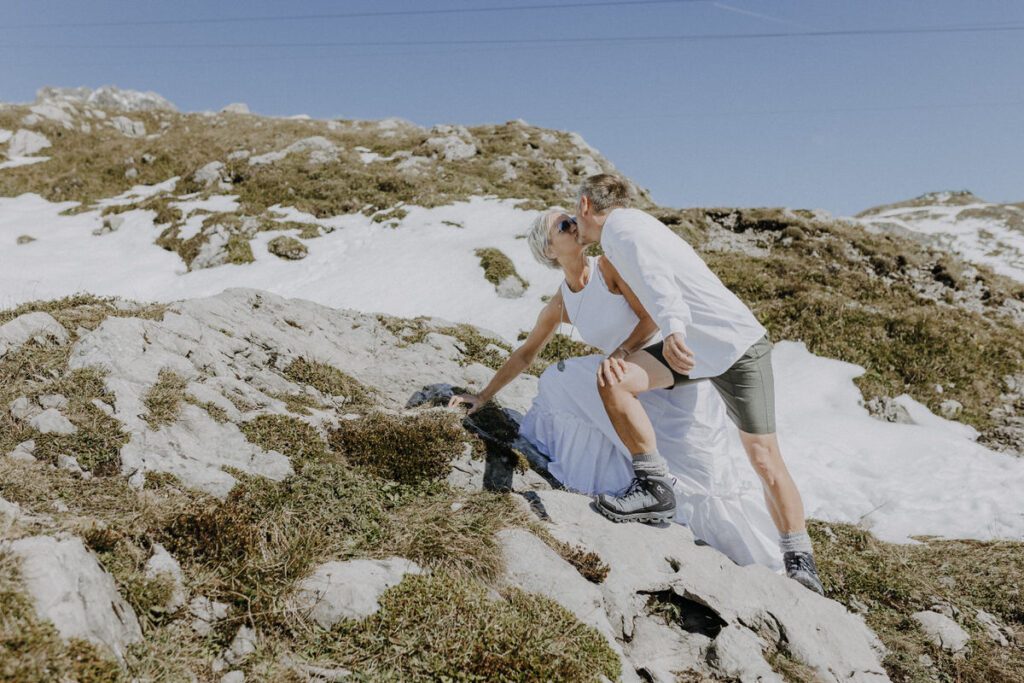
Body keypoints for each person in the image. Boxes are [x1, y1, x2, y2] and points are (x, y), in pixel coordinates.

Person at [449, 209, 781, 569]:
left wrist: (623, 352)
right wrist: (483, 396)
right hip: (626, 382)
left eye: (570, 218)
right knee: (558, 379)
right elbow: (527, 353)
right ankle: (628, 479)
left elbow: (652, 319)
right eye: (563, 225)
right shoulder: (562, 300)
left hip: (666, 377)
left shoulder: (608, 268)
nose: (573, 224)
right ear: (548, 251)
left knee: (698, 480)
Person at [570, 173, 824, 594]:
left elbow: (656, 279)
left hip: (734, 346)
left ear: (584, 206)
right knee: (615, 382)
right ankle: (654, 485)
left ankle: (800, 561)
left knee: (763, 456)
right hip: (689, 350)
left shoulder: (624, 229)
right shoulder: (628, 230)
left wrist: (672, 331)